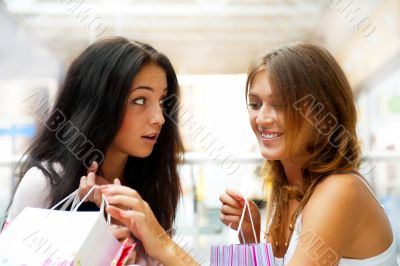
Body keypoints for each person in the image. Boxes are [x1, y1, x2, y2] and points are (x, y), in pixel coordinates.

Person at [5, 36, 198, 265]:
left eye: (163, 101)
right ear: (99, 104)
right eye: (139, 100)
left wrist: (159, 242)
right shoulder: (46, 183)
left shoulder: (147, 186)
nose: (159, 118)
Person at [219, 42, 398, 265]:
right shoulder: (286, 188)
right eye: (255, 104)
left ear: (323, 113)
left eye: (281, 105)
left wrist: (166, 248)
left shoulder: (340, 189)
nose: (262, 119)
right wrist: (250, 235)